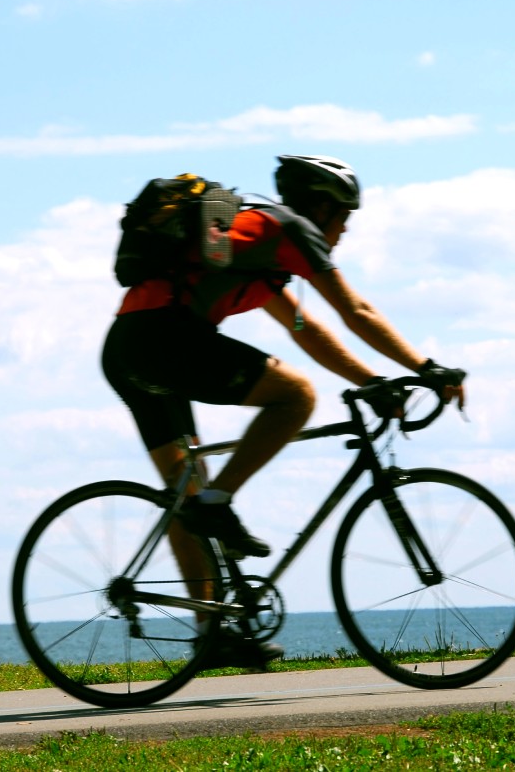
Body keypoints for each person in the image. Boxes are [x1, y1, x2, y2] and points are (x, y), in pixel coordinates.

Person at [101, 155, 465, 668]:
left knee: (187, 489)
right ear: (321, 207)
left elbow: (308, 330)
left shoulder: (257, 246)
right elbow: (354, 310)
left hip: (127, 348)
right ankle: (218, 500)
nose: (343, 233)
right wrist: (426, 366)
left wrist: (372, 381)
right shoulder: (289, 228)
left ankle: (212, 631)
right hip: (166, 340)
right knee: (296, 396)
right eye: (344, 219)